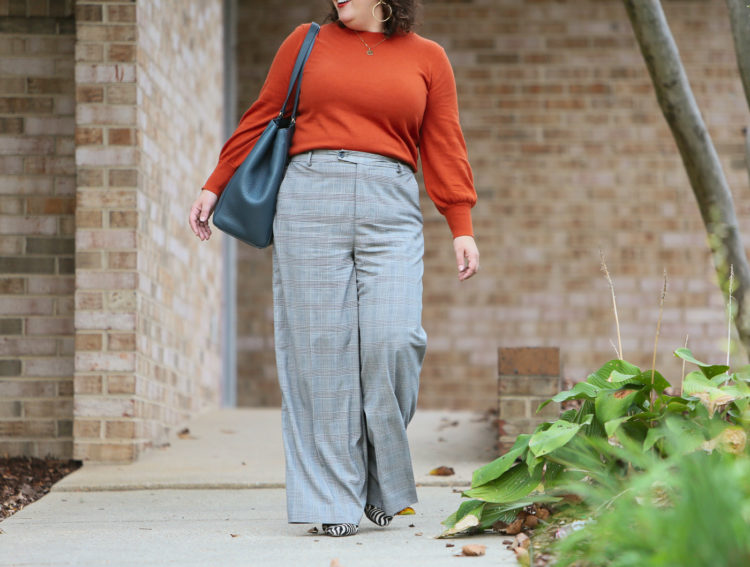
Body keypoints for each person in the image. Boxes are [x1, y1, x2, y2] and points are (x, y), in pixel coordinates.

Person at [188, 0, 479, 537]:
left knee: (395, 339)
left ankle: (379, 480)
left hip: (390, 206)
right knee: (320, 354)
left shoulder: (428, 58)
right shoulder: (305, 41)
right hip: (307, 198)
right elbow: (262, 116)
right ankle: (331, 501)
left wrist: (460, 224)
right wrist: (214, 183)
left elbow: (443, 141)